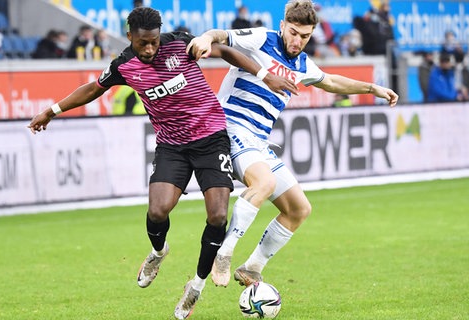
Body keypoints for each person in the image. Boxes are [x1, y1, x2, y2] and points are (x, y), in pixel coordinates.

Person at [27, 6, 297, 319]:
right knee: (157, 211)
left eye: (154, 41)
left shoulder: (180, 43)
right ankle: (158, 252)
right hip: (172, 146)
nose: (150, 48)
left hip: (212, 139)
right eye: (143, 43)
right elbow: (92, 89)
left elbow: (224, 50)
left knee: (218, 215)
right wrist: (52, 111)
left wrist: (265, 76)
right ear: (130, 37)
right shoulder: (124, 65)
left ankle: (195, 286)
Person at [187, 0, 398, 288]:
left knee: (299, 209)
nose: (298, 41)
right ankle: (222, 253)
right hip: (231, 129)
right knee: (264, 183)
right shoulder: (263, 39)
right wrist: (205, 38)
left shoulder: (303, 65)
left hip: (258, 141)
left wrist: (372, 88)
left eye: (305, 36)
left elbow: (331, 82)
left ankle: (252, 267)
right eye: (294, 33)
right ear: (283, 25)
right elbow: (221, 36)